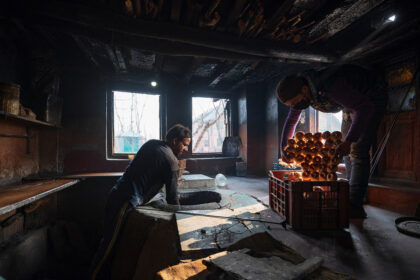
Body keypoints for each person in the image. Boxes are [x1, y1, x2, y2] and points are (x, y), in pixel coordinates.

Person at [276, 64, 387, 219]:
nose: (295, 106)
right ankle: (350, 196)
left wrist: (349, 141)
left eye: (295, 102)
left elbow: (364, 107)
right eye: (292, 105)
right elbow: (292, 120)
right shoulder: (303, 91)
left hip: (371, 99)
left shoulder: (331, 86)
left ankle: (355, 205)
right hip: (354, 103)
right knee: (345, 151)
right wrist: (284, 148)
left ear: (304, 89)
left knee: (357, 150)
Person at [89, 124, 191, 280]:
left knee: (112, 245)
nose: (186, 149)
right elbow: (172, 198)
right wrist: (184, 220)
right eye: (184, 144)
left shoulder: (152, 143)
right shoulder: (171, 161)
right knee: (108, 247)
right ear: (175, 141)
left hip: (117, 194)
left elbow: (148, 169)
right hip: (125, 201)